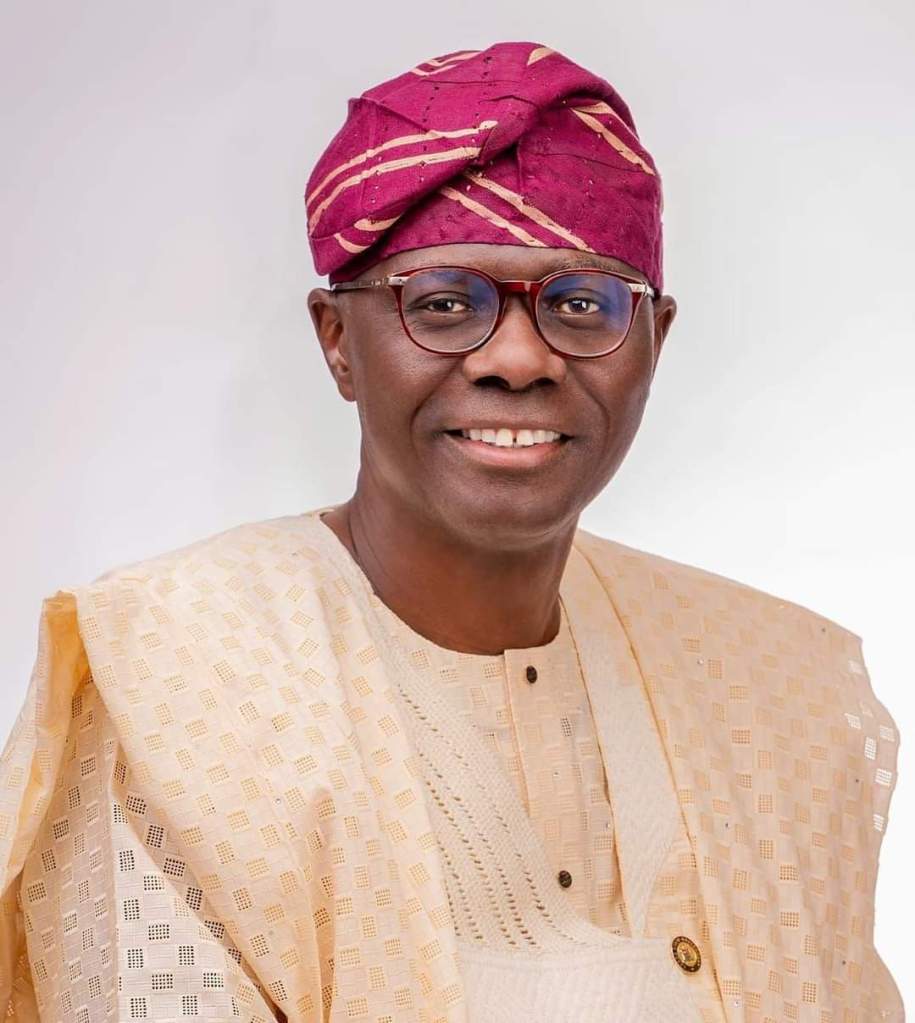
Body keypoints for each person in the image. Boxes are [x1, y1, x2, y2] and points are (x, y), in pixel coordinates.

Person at [0, 41, 903, 1023]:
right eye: (442, 303)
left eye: (581, 303)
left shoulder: (776, 691)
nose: (517, 358)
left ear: (654, 340)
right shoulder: (175, 686)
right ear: (338, 343)